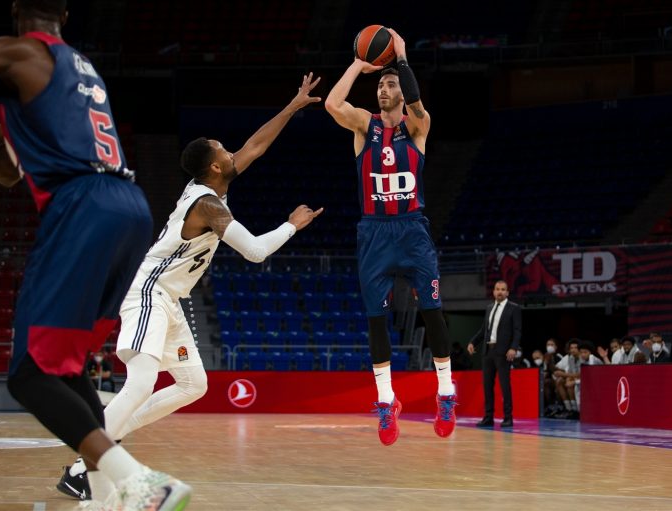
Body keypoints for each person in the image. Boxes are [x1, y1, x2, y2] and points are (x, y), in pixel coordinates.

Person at [57, 73, 324, 502]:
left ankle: (96, 451)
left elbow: (254, 147)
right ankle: (87, 463)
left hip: (171, 298)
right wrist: (290, 226)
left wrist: (293, 106)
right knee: (142, 382)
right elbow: (255, 251)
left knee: (193, 384)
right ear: (216, 166)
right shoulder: (207, 204)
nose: (231, 150)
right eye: (223, 149)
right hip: (147, 290)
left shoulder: (210, 185)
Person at [0, 2, 192, 509]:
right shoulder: (83, 70)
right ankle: (102, 497)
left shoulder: (16, 50)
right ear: (67, 13)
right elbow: (11, 167)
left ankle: (141, 482)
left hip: (81, 207)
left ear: (13, 9)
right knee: (67, 371)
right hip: (128, 207)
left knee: (29, 374)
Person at [325, 28, 457, 446]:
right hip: (375, 233)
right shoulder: (364, 127)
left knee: (432, 311)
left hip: (412, 228)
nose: (383, 88)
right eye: (380, 84)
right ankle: (387, 402)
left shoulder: (419, 126)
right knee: (376, 319)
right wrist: (358, 65)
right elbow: (332, 103)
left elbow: (417, 103)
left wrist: (400, 61)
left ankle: (446, 393)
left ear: (403, 91)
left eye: (390, 84)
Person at [467, 280, 522, 428]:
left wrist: (513, 348)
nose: (500, 292)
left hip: (503, 352)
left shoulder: (514, 308)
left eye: (503, 289)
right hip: (488, 352)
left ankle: (508, 417)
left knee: (505, 386)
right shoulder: (489, 308)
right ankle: (488, 417)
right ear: (494, 292)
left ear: (507, 292)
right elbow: (483, 329)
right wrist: (473, 342)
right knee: (487, 386)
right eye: (497, 289)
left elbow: (517, 331)